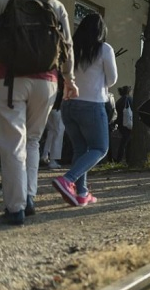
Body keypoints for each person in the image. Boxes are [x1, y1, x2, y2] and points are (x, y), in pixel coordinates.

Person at [0, 0, 78, 225]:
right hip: (47, 82)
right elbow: (67, 46)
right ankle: (29, 197)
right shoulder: (54, 4)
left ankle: (15, 207)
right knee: (33, 140)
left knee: (12, 143)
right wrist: (70, 79)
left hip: (10, 80)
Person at [52, 13, 116, 207]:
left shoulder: (71, 48)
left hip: (68, 104)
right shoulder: (104, 48)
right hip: (92, 104)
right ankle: (67, 180)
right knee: (100, 148)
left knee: (81, 149)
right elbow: (112, 79)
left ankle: (81, 193)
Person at [41, 75, 65, 170]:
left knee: (51, 130)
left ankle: (45, 154)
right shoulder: (62, 76)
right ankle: (53, 160)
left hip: (47, 105)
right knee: (59, 130)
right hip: (58, 106)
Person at [114, 85, 133, 163]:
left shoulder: (119, 101)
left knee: (124, 141)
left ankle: (120, 158)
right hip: (128, 123)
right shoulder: (130, 99)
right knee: (126, 142)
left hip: (121, 123)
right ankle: (122, 159)